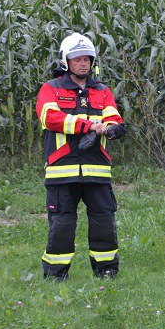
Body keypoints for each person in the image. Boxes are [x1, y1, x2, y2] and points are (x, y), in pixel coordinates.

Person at [35, 33, 126, 280]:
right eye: (77, 59)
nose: (83, 63)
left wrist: (114, 129)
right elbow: (50, 118)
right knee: (62, 226)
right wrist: (88, 125)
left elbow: (113, 119)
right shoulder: (50, 89)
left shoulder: (102, 91)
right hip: (61, 171)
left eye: (87, 58)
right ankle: (56, 276)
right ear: (66, 62)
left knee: (104, 224)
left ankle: (107, 272)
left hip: (97, 170)